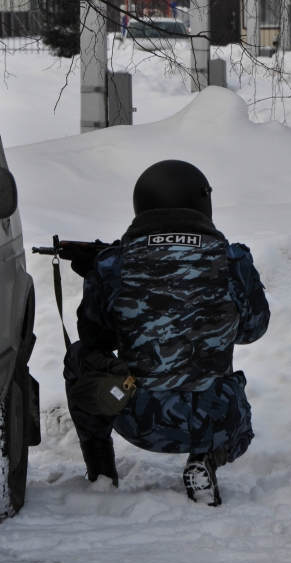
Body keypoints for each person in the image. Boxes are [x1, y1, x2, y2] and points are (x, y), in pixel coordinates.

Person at [64, 160, 270, 506]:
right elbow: (253, 329)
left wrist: (98, 275)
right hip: (216, 418)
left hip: (135, 418)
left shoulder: (115, 264)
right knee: (235, 409)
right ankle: (207, 459)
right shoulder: (233, 261)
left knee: (78, 357)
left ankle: (100, 469)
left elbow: (96, 338)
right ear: (202, 202)